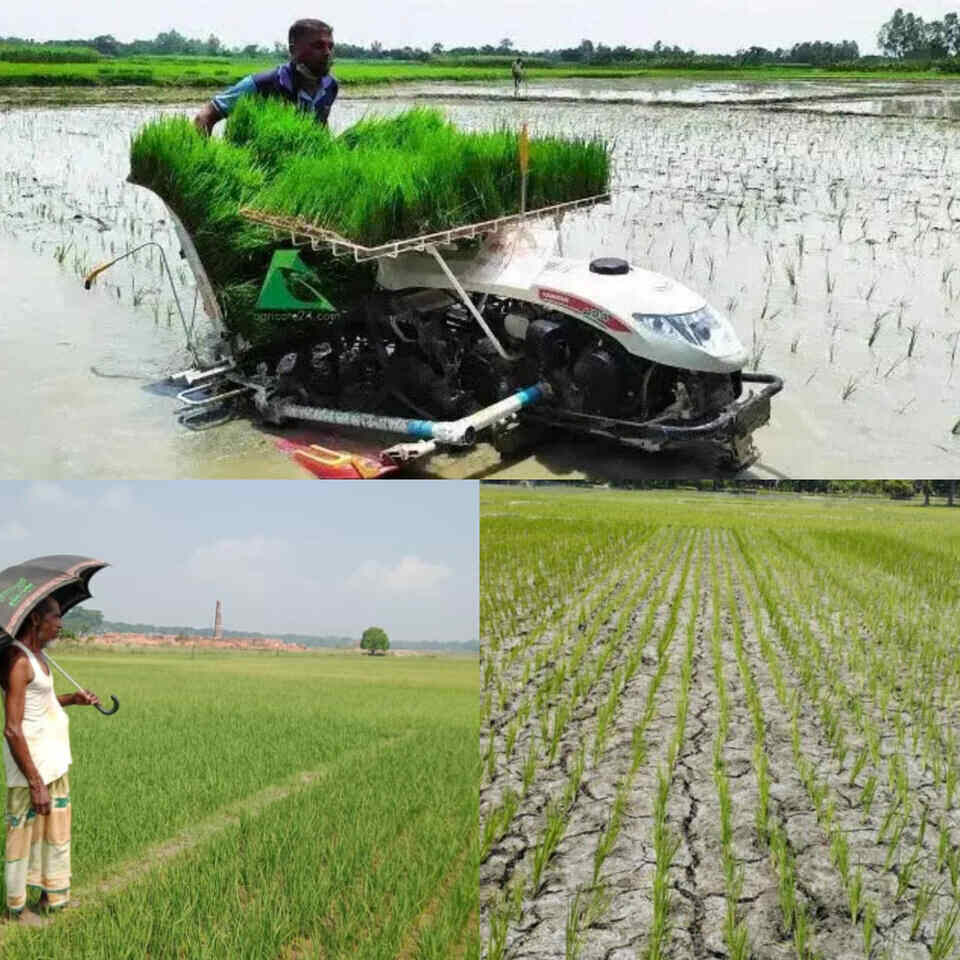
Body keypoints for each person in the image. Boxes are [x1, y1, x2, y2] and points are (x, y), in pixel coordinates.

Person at [1, 597, 100, 924]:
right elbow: (13, 729)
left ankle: (52, 895)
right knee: (23, 835)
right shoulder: (18, 661)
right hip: (32, 767)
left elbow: (39, 706)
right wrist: (35, 782)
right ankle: (16, 910)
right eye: (55, 617)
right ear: (34, 620)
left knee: (53, 832)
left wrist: (73, 699)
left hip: (53, 762)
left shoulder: (40, 658)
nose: (60, 624)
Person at [194, 19, 338, 135]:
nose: (327, 53)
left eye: (330, 47)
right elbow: (205, 117)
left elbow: (321, 125)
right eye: (318, 46)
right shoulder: (263, 84)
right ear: (293, 50)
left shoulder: (330, 86)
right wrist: (206, 162)